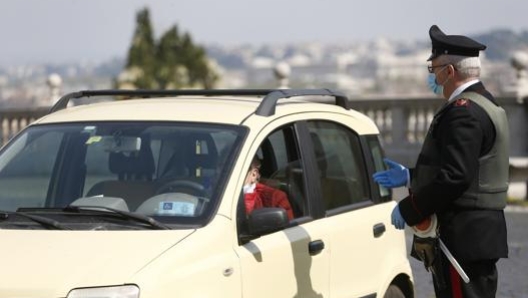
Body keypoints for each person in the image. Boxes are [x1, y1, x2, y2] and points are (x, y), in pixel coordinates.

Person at [373, 25, 509, 298]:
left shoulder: (464, 113)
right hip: (474, 236)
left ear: (449, 71)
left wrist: (410, 208)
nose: (432, 76)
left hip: (463, 238)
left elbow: (455, 176)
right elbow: (463, 167)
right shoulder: (482, 103)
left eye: (433, 69)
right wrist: (412, 176)